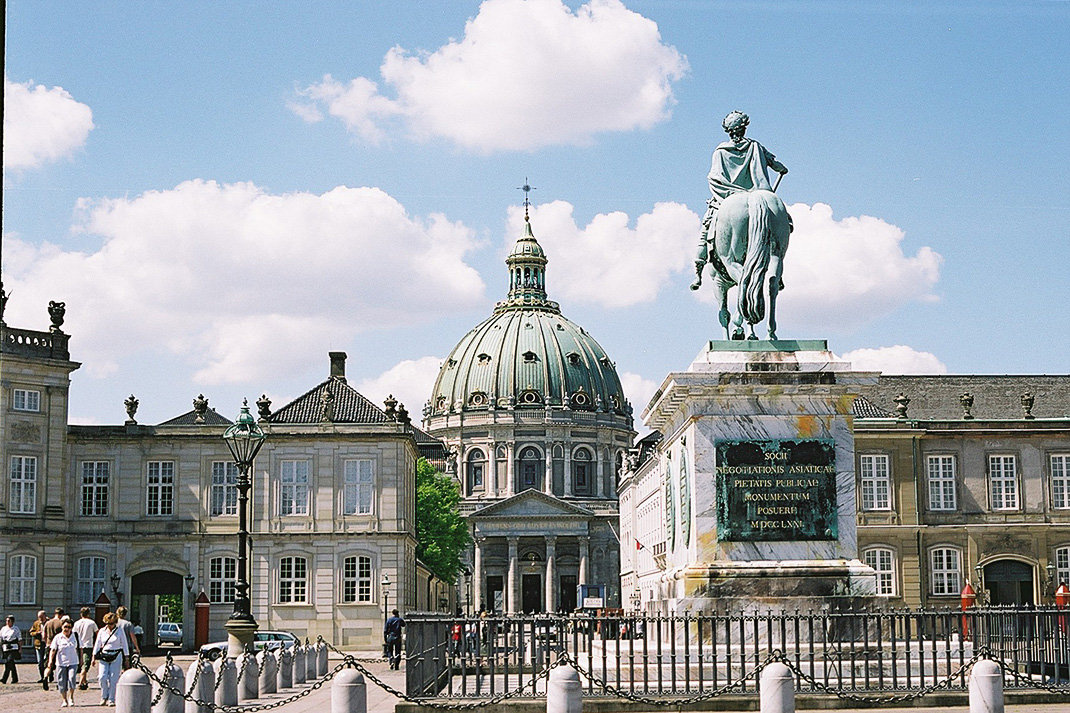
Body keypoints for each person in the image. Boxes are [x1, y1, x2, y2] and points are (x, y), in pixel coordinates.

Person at [695, 111, 789, 284]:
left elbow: (714, 177)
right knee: (786, 223)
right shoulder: (756, 146)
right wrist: (782, 169)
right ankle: (777, 274)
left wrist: (730, 190)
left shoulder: (720, 151)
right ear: (744, 128)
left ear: (728, 131)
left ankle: (698, 267)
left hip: (728, 197)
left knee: (706, 227)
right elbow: (778, 166)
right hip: (761, 193)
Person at [91, 613, 128, 707]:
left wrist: (126, 657)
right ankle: (104, 696)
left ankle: (111, 698)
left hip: (116, 654)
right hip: (104, 654)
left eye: (111, 623)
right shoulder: (102, 631)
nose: (109, 625)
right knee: (102, 677)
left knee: (113, 678)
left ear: (115, 622)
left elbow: (124, 644)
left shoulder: (120, 631)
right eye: (107, 623)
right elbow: (97, 643)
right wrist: (93, 656)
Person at [44, 618, 80, 707]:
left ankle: (71, 697)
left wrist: (81, 660)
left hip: (73, 661)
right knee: (61, 681)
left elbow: (80, 648)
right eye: (65, 627)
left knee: (72, 679)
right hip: (61, 662)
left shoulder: (75, 636)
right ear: (62, 627)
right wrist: (50, 662)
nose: (66, 629)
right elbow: (53, 650)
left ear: (71, 628)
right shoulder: (58, 637)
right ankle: (64, 699)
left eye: (69, 627)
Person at [72, 606, 98, 690]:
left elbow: (73, 634)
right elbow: (97, 633)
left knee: (80, 663)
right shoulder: (91, 623)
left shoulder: (76, 623)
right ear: (88, 614)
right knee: (85, 665)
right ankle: (80, 682)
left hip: (78, 646)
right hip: (88, 645)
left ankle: (84, 681)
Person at [42, 607, 65, 684]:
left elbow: (43, 635)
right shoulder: (61, 623)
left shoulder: (48, 623)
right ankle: (59, 681)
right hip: (58, 646)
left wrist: (47, 642)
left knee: (49, 663)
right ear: (61, 614)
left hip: (49, 645)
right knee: (59, 664)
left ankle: (46, 676)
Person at [1, 615, 22, 684]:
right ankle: (15, 678)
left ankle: (4, 678)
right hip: (5, 647)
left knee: (9, 661)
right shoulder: (3, 629)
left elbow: (19, 639)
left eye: (9, 621)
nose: (7, 622)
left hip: (13, 647)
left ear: (12, 621)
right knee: (11, 663)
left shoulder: (16, 629)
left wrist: (20, 648)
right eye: (6, 621)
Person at [29, 610, 48, 684]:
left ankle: (48, 675)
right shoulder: (36, 623)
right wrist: (37, 633)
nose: (40, 619)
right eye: (39, 617)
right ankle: (42, 677)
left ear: (44, 616)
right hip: (39, 644)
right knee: (40, 662)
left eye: (41, 617)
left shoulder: (49, 622)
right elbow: (31, 632)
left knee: (47, 661)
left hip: (47, 644)